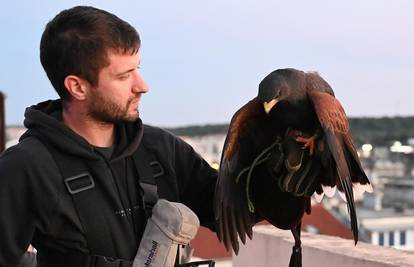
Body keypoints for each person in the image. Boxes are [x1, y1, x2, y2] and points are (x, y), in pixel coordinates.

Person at [0, 6, 217, 267]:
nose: (142, 85)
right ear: (77, 86)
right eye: (124, 76)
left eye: (137, 69)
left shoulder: (160, 147)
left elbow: (230, 209)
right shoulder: (26, 167)